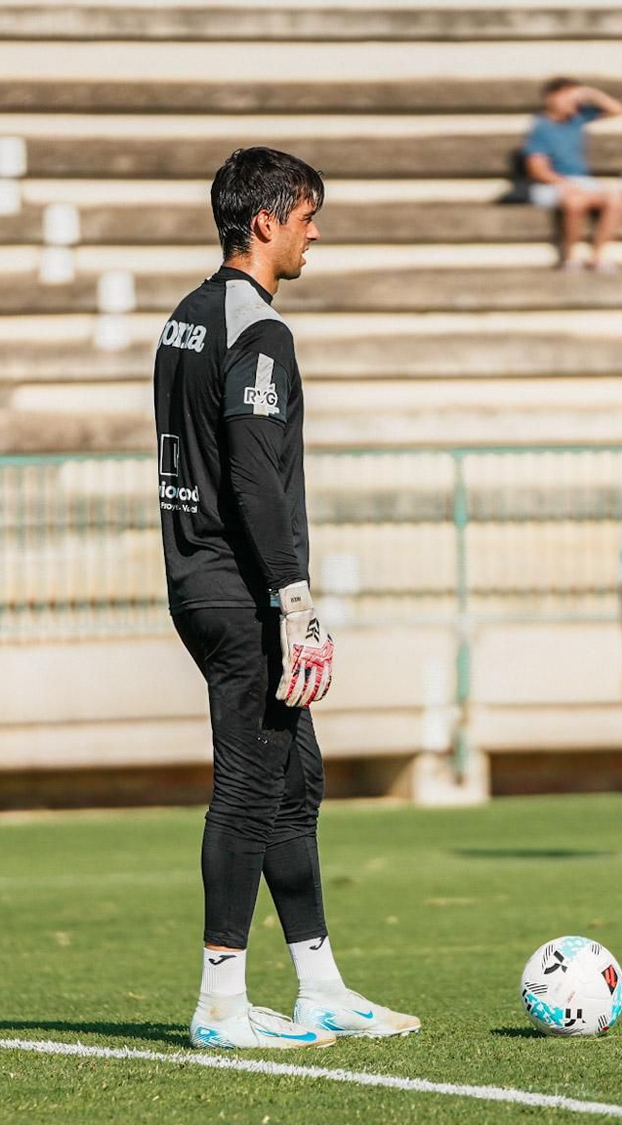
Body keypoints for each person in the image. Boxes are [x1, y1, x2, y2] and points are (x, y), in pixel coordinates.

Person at [154, 147, 419, 1050]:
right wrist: (295, 602)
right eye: (307, 216)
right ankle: (221, 1003)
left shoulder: (187, 317)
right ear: (265, 222)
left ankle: (320, 985)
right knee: (249, 786)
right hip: (241, 595)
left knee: (295, 778)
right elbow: (254, 478)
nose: (316, 232)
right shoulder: (258, 329)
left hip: (203, 581)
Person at [522, 78, 622, 271]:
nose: (572, 101)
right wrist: (564, 183)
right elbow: (537, 169)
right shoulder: (540, 127)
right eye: (567, 96)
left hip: (581, 181)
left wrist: (591, 93)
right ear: (551, 98)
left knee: (617, 199)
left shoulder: (577, 118)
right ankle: (570, 256)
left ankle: (598, 255)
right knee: (576, 202)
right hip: (551, 183)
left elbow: (619, 110)